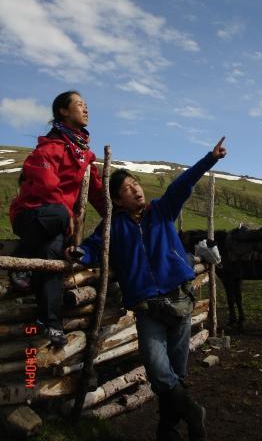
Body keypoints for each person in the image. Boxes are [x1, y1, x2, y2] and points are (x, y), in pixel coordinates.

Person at [66, 137, 226, 440]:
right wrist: (79, 255)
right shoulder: (112, 227)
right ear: (117, 200)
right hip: (147, 308)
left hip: (179, 299)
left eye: (136, 183)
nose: (136, 189)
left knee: (176, 375)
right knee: (158, 371)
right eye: (127, 188)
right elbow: (92, 248)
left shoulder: (161, 211)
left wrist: (210, 159)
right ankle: (192, 412)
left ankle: (165, 431)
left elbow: (182, 185)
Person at [9, 91, 105, 347]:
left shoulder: (84, 153)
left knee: (53, 254)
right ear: (63, 111)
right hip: (31, 215)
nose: (86, 109)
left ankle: (49, 322)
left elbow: (95, 190)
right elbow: (45, 181)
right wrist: (65, 213)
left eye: (87, 105)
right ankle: (21, 264)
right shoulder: (49, 146)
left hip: (57, 223)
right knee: (60, 213)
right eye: (80, 105)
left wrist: (114, 215)